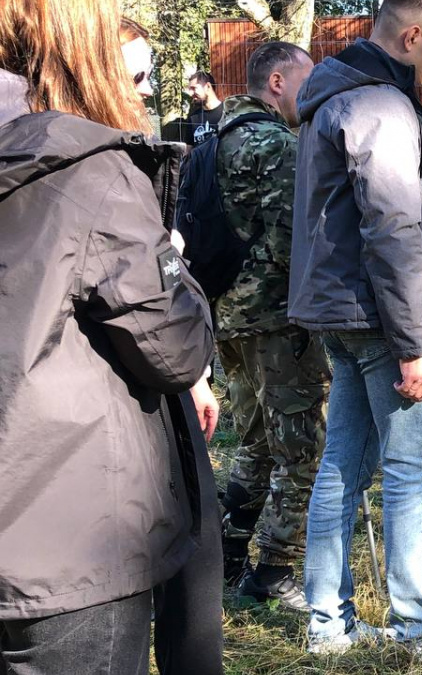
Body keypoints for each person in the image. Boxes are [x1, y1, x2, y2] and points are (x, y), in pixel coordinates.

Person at [0, 2, 217, 674]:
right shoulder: (90, 168)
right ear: (86, 44)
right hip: (66, 555)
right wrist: (171, 260)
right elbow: (177, 347)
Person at [290, 0, 422, 663]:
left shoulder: (336, 97)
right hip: (387, 321)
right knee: (411, 475)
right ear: (411, 37)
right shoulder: (381, 105)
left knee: (341, 468)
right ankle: (419, 631)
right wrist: (414, 344)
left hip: (344, 313)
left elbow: (371, 220)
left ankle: (328, 626)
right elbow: (389, 227)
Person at [118, 18, 225, 675]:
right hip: (104, 451)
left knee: (196, 567)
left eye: (149, 78)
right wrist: (171, 268)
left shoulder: (129, 158)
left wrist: (195, 380)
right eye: (134, 78)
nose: (146, 94)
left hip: (166, 403)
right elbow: (168, 325)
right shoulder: (95, 173)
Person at [211, 41, 327, 612]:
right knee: (302, 446)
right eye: (306, 82)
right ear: (277, 81)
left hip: (226, 318)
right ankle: (275, 570)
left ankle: (227, 555)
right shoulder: (276, 145)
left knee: (255, 438)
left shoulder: (214, 139)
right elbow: (292, 243)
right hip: (276, 319)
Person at [185, 71, 223, 145]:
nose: (191, 93)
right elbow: (189, 151)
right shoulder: (193, 118)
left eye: (194, 88)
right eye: (190, 89)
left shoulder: (228, 112)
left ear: (208, 86)